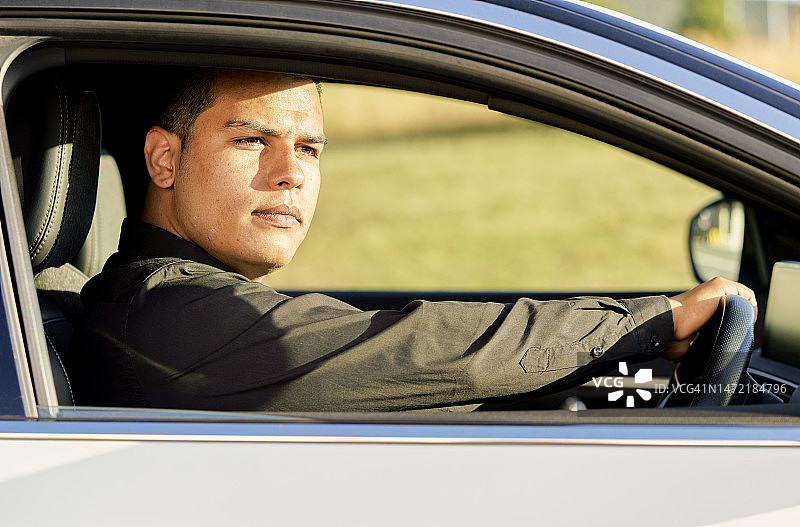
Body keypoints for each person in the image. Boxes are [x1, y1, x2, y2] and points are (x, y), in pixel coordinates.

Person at [73, 69, 758, 412]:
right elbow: (411, 349)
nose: (290, 174)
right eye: (252, 140)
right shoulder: (157, 315)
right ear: (164, 160)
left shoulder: (177, 303)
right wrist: (649, 320)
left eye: (310, 148)